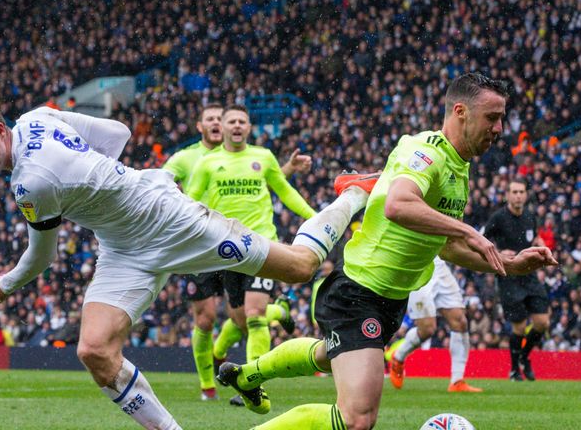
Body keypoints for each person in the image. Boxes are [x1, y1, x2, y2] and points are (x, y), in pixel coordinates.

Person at [0, 87, 376, 430]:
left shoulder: (31, 182)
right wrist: (105, 184)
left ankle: (354, 192)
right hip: (122, 244)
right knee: (94, 350)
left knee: (299, 267)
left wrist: (4, 283)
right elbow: (117, 135)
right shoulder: (39, 117)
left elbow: (41, 256)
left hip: (170, 221)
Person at [217, 73, 557, 429]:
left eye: (502, 117)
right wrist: (470, 230)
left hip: (391, 299)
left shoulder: (459, 167)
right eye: (492, 117)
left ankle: (248, 374)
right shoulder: (426, 151)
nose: (500, 128)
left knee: (326, 352)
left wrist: (510, 263)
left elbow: (449, 247)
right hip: (358, 293)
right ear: (460, 111)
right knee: (356, 419)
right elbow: (398, 204)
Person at [162, 103, 310, 401]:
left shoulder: (262, 156)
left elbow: (274, 186)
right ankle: (278, 312)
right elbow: (178, 194)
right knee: (229, 320)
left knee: (254, 316)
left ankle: (254, 382)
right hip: (216, 246)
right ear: (202, 125)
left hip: (261, 244)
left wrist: (314, 214)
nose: (230, 125)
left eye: (239, 121)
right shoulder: (197, 160)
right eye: (221, 120)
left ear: (248, 126)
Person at [483, 178, 549, 381]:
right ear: (508, 195)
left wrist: (539, 243)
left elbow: (534, 237)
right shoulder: (498, 218)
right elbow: (483, 240)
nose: (518, 195)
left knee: (542, 322)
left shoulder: (530, 217)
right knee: (519, 326)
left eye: (521, 192)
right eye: (515, 192)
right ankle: (514, 370)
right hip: (509, 275)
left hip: (529, 275)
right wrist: (500, 252)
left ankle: (524, 357)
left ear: (526, 195)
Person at [386, 256, 483, 393]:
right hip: (415, 265)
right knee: (428, 329)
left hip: (437, 263)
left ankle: (457, 381)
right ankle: (399, 357)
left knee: (460, 321)